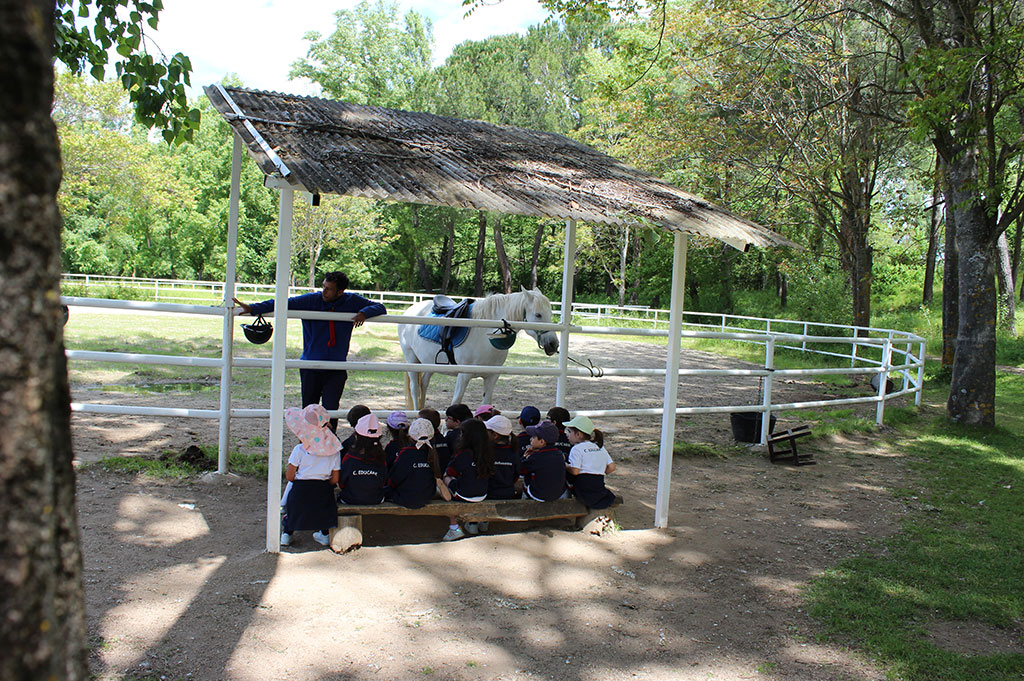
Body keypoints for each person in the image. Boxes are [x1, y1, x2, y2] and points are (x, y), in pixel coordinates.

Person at [233, 271, 386, 430]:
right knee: (309, 409)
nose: (324, 292)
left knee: (331, 410)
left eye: (329, 289)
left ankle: (329, 445)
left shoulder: (351, 301)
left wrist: (364, 313)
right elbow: (282, 303)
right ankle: (306, 445)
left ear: (340, 292)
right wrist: (252, 308)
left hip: (336, 367)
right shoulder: (312, 300)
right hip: (310, 365)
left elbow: (380, 307)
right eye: (323, 287)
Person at [281, 404, 342, 548]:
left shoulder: (299, 450)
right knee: (325, 512)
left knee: (293, 510)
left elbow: (290, 476)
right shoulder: (335, 451)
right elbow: (335, 479)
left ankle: (286, 534)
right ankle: (324, 533)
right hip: (323, 490)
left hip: (300, 490)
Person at [442, 418, 495, 541]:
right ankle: (480, 523)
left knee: (445, 479)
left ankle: (454, 527)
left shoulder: (463, 454)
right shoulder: (489, 452)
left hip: (464, 494)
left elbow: (451, 471)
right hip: (483, 493)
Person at [386, 418, 447, 509]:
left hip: (405, 497)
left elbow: (394, 478)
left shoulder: (405, 453)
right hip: (426, 496)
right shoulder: (432, 453)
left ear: (410, 436)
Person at [563, 415, 617, 509]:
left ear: (578, 434)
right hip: (598, 486)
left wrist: (565, 465)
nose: (567, 434)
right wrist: (597, 469)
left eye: (569, 431)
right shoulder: (599, 447)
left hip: (583, 489)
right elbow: (611, 467)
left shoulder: (576, 449)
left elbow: (575, 471)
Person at [337, 413, 387, 505]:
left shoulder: (349, 458)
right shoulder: (381, 457)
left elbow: (342, 483)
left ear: (356, 436)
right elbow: (383, 481)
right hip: (376, 499)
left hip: (349, 499)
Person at [520, 420, 568, 502]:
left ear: (542, 442)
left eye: (533, 437)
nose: (530, 439)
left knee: (525, 478)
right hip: (558, 494)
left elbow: (521, 470)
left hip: (539, 495)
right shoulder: (559, 454)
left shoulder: (536, 457)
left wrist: (524, 457)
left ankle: (525, 499)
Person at [485, 414, 520, 501]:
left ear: (495, 435)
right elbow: (516, 474)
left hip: (489, 494)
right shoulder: (514, 452)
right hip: (508, 493)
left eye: (487, 431)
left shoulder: (486, 452)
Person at [442, 403, 473, 472]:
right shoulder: (475, 433)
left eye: (448, 418)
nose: (445, 419)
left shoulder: (451, 436)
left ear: (457, 421)